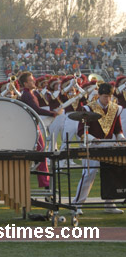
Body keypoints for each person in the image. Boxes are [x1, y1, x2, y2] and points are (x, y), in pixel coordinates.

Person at [72, 83, 125, 215]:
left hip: (108, 145)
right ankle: (77, 204)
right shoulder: (88, 109)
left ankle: (109, 203)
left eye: (110, 96)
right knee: (89, 175)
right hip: (93, 146)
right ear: (99, 95)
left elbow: (118, 129)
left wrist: (121, 138)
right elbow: (80, 132)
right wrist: (93, 139)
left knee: (110, 175)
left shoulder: (115, 108)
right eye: (105, 96)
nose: (107, 99)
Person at [18, 71, 63, 187]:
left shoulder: (31, 93)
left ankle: (44, 182)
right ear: (25, 83)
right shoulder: (27, 95)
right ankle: (45, 183)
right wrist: (54, 113)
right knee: (41, 154)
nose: (34, 81)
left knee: (40, 155)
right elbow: (36, 110)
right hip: (31, 127)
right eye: (31, 80)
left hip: (32, 125)